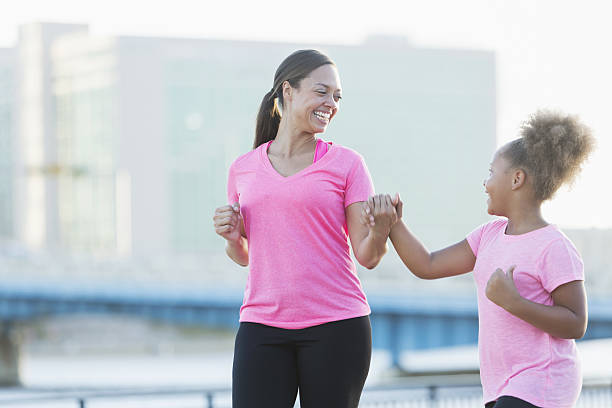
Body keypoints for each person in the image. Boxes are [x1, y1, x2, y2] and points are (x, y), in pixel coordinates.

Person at [363, 110, 595, 407]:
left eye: (491, 172)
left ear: (516, 179)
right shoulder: (488, 235)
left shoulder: (553, 246)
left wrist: (514, 302)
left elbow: (576, 323)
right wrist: (393, 223)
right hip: (501, 384)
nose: (485, 183)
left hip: (543, 380)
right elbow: (427, 264)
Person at [212, 49, 395, 408]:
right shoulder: (243, 168)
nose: (331, 103)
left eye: (337, 96)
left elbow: (368, 256)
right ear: (288, 90)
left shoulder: (348, 164)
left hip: (337, 326)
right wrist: (233, 238)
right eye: (322, 91)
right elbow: (245, 256)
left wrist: (382, 230)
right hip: (261, 325)